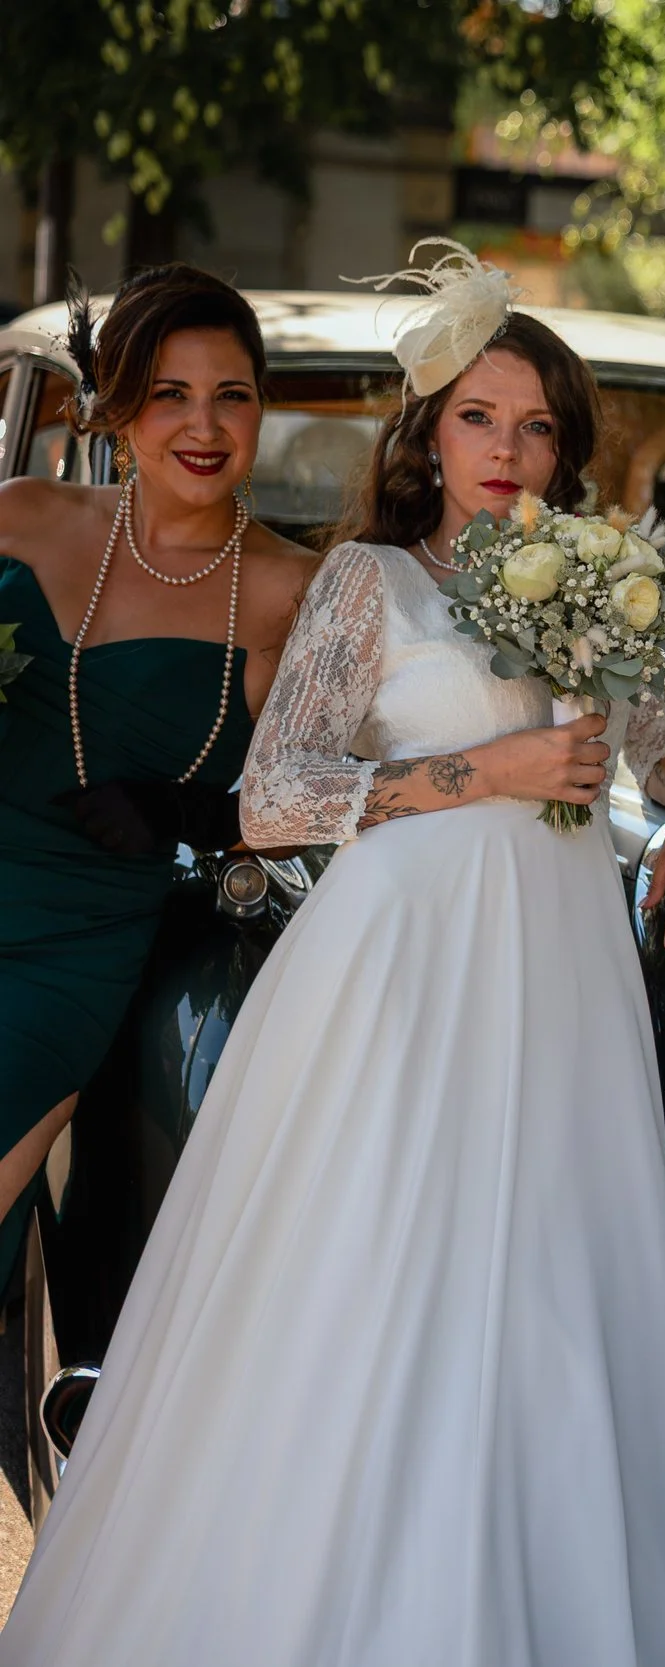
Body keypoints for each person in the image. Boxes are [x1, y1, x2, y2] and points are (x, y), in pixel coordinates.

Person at [0, 243, 665, 1666]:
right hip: (402, 967)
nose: (508, 449)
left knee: (546, 1283)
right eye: (478, 416)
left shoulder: (596, 580)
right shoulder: (364, 581)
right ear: (428, 431)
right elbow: (278, 798)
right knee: (383, 1271)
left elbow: (661, 730)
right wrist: (488, 766)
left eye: (537, 425)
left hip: (564, 973)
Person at [0, 263, 318, 1286]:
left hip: (72, 955)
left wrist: (189, 813)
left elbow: (310, 798)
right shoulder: (24, 517)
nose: (205, 424)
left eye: (233, 393)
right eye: (171, 392)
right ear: (115, 405)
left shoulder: (289, 591)